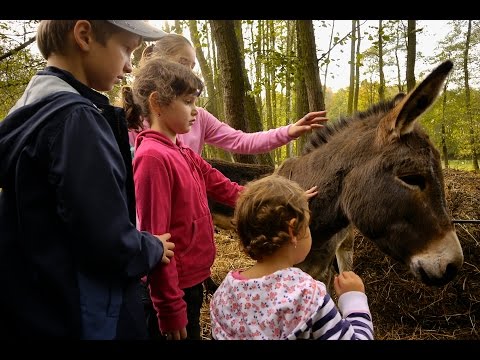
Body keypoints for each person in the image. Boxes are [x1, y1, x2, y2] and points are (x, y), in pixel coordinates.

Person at [0, 20, 175, 339]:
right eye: (126, 49)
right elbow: (106, 239)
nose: (127, 67)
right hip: (85, 313)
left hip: (40, 303)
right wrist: (150, 247)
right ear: (84, 36)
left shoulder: (31, 106)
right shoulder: (76, 121)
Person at [125, 56, 247, 340]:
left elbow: (224, 187)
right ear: (157, 103)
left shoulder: (181, 150)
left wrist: (271, 197)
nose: (196, 111)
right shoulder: (153, 159)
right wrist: (169, 307)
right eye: (188, 102)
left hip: (192, 281)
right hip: (173, 290)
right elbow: (156, 240)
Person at [209, 174, 374, 340]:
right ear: (292, 230)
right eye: (307, 225)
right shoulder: (307, 297)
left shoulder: (223, 294)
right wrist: (353, 299)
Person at [127, 33, 329, 156]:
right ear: (158, 62)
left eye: (192, 66)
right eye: (182, 63)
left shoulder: (198, 117)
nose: (189, 71)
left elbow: (241, 141)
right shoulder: (132, 118)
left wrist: (289, 131)